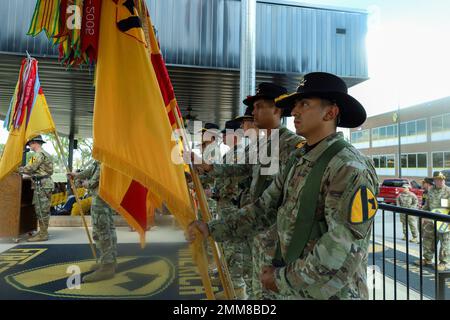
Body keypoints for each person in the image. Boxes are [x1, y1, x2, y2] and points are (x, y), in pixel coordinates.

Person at [188, 72, 379, 299]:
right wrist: (211, 228)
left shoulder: (349, 167)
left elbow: (341, 246)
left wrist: (283, 280)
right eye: (296, 104)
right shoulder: (299, 159)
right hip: (295, 286)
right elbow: (264, 208)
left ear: (331, 112)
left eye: (304, 104)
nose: (295, 111)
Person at [196, 83, 305, 299]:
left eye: (258, 106)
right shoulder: (263, 145)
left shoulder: (294, 146)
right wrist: (210, 168)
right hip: (258, 234)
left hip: (278, 241)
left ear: (277, 110)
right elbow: (243, 168)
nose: (252, 113)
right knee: (256, 291)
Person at [67, 160, 118, 282]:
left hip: (101, 200)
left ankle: (107, 267)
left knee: (102, 232)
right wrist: (77, 175)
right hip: (103, 198)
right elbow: (91, 169)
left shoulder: (106, 160)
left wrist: (84, 183)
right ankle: (109, 260)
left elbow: (93, 182)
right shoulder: (102, 158)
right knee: (108, 230)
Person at [18, 135, 54, 242]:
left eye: (30, 143)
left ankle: (43, 234)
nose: (29, 146)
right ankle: (43, 232)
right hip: (43, 184)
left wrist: (16, 169)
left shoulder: (39, 154)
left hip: (42, 185)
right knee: (42, 209)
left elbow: (30, 168)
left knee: (41, 210)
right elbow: (30, 166)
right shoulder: (40, 154)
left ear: (35, 143)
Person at [419, 171, 450, 271]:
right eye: (437, 179)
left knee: (444, 241)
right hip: (431, 219)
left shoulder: (448, 191)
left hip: (444, 221)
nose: (439, 181)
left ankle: (443, 262)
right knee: (428, 239)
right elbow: (427, 204)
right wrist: (422, 215)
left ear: (444, 180)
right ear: (434, 180)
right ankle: (427, 259)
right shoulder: (430, 190)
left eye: (441, 179)